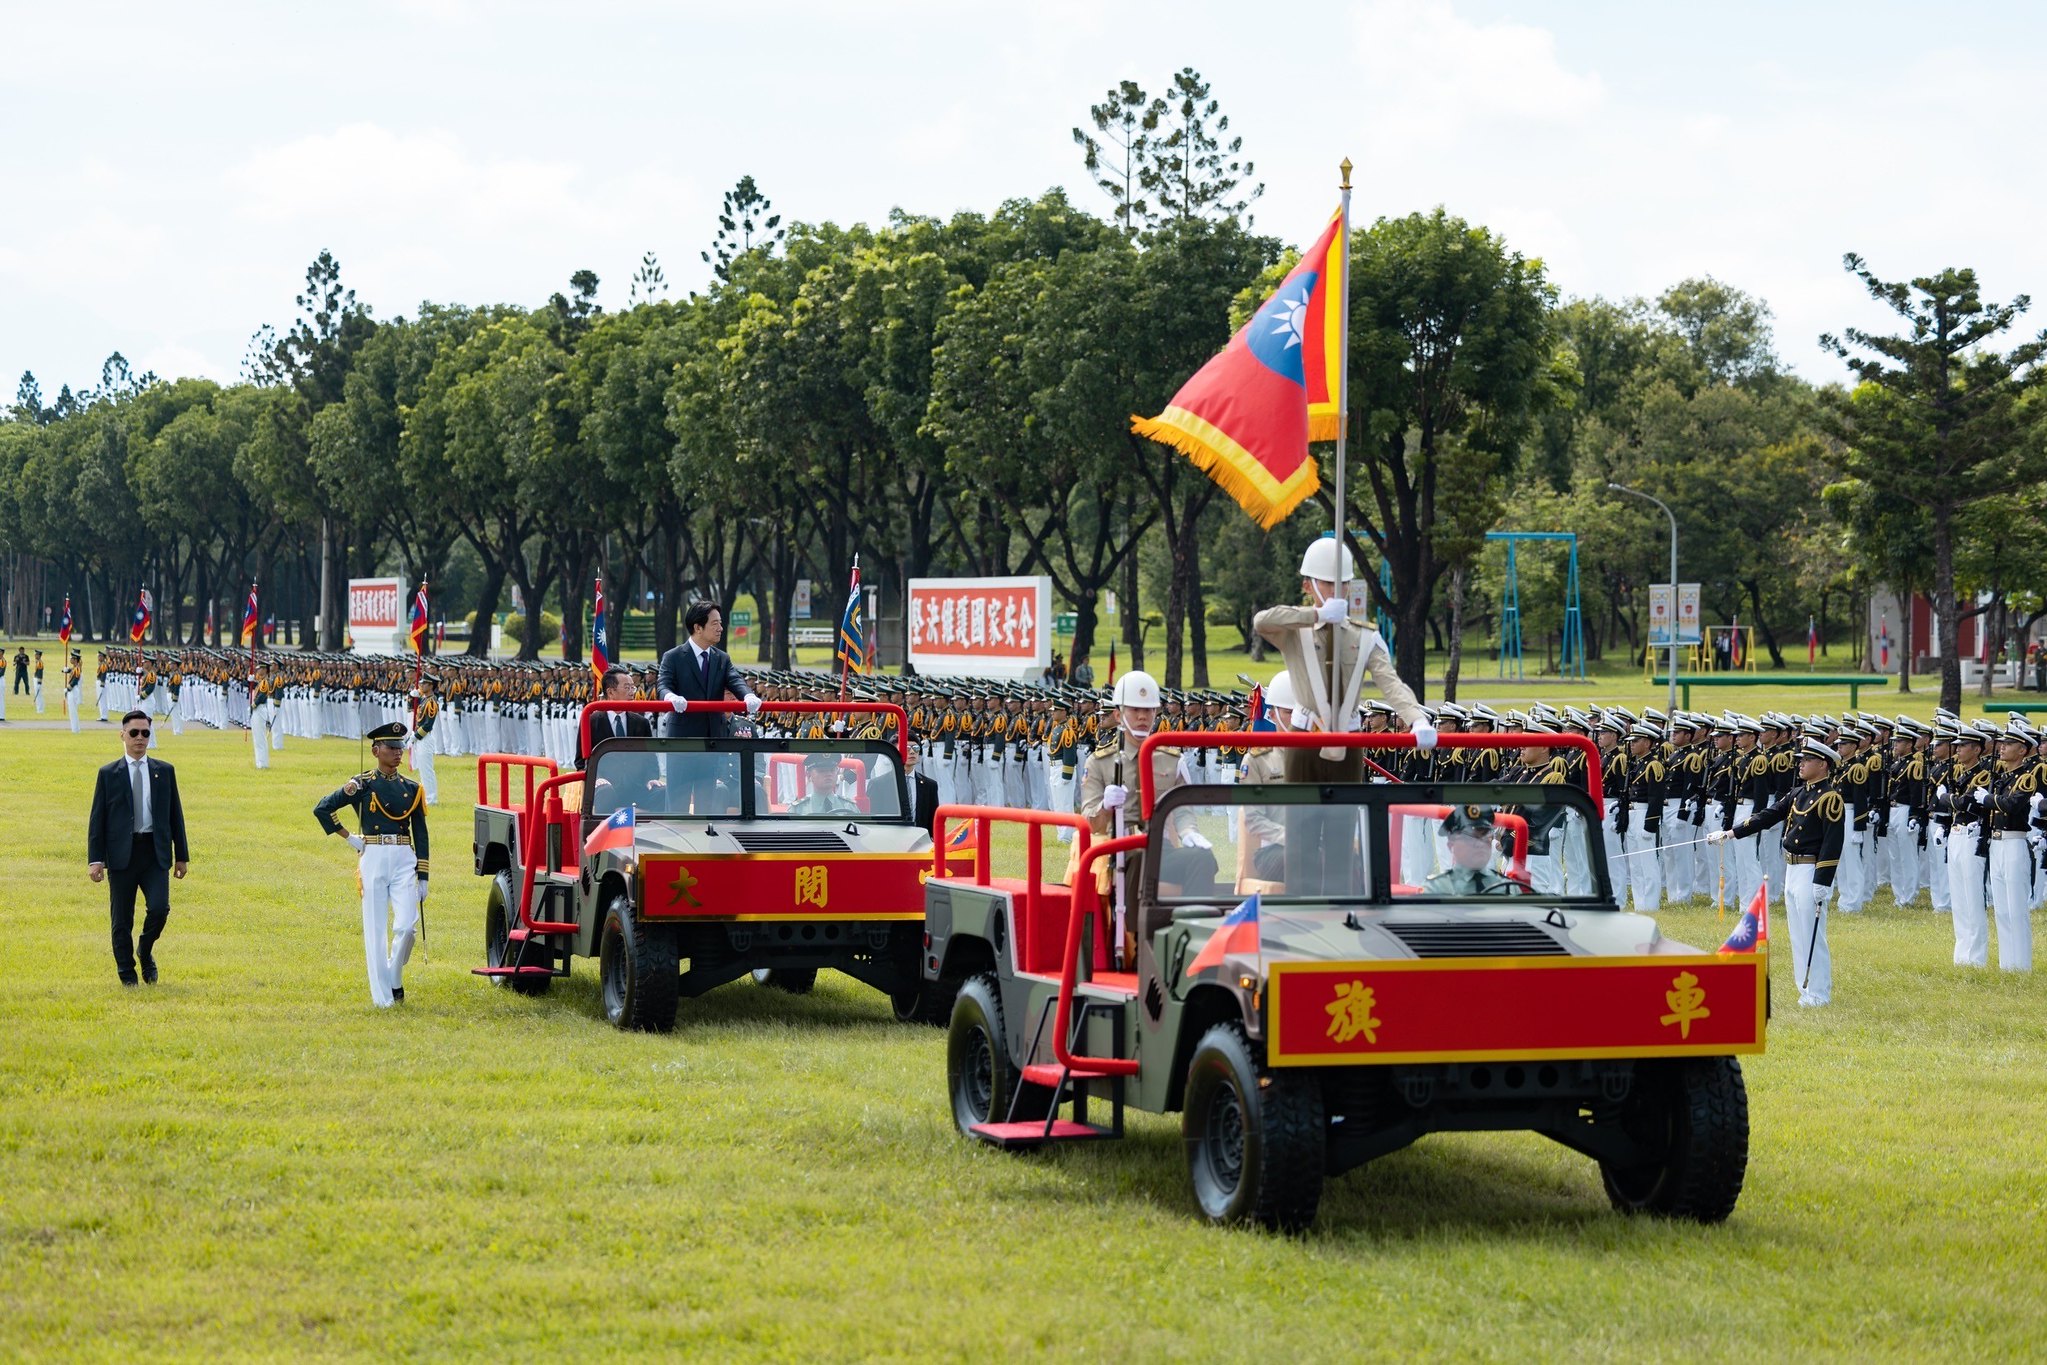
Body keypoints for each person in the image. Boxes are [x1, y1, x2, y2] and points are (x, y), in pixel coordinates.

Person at [1079, 670, 1218, 960]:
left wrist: (1190, 831)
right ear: (1119, 715)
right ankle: (1140, 939)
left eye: (1149, 710)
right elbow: (1091, 821)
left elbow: (1182, 809)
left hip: (1162, 847)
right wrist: (1105, 806)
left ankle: (1193, 934)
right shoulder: (1102, 762)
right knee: (1142, 858)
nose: (1143, 716)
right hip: (1123, 850)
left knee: (1203, 859)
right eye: (1135, 709)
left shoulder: (1170, 758)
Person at [1710, 736, 1844, 1007]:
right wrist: (1732, 833)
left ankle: (1819, 991)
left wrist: (1823, 881)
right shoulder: (1798, 793)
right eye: (1801, 760)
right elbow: (1767, 816)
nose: (1801, 765)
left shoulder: (1831, 798)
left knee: (1812, 933)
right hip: (1792, 869)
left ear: (1823, 764)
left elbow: (1832, 843)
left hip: (1810, 870)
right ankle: (1804, 989)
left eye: (1807, 761)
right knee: (1797, 933)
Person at [313, 721, 429, 1008]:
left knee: (406, 927)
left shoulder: (412, 789)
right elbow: (323, 808)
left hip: (403, 858)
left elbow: (421, 833)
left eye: (400, 748)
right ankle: (384, 998)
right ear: (376, 751)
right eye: (391, 748)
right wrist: (349, 837)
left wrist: (423, 876)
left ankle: (394, 976)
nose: (398, 753)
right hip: (374, 855)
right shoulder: (362, 784)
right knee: (376, 930)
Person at [86, 710, 191, 986]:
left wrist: (181, 856)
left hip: (154, 853)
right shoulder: (108, 774)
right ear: (122, 735)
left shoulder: (164, 771)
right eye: (134, 733)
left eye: (145, 733)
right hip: (122, 855)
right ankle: (127, 974)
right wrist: (95, 859)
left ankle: (145, 949)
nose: (140, 738)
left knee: (159, 909)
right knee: (121, 920)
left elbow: (174, 815)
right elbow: (98, 820)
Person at [657, 601, 761, 738]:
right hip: (684, 738)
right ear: (698, 628)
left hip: (716, 736)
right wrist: (671, 697)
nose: (720, 628)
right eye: (715, 623)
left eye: (720, 623)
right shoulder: (673, 657)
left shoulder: (722, 658)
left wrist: (748, 695)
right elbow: (663, 686)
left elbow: (735, 680)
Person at [1422, 806, 1516, 896]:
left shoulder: (1507, 887)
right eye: (1471, 838)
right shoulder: (1436, 889)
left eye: (1485, 837)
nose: (1479, 844)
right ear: (1451, 845)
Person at [789, 752, 859, 815]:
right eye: (822, 771)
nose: (828, 774)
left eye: (832, 770)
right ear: (809, 775)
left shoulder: (849, 806)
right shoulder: (798, 809)